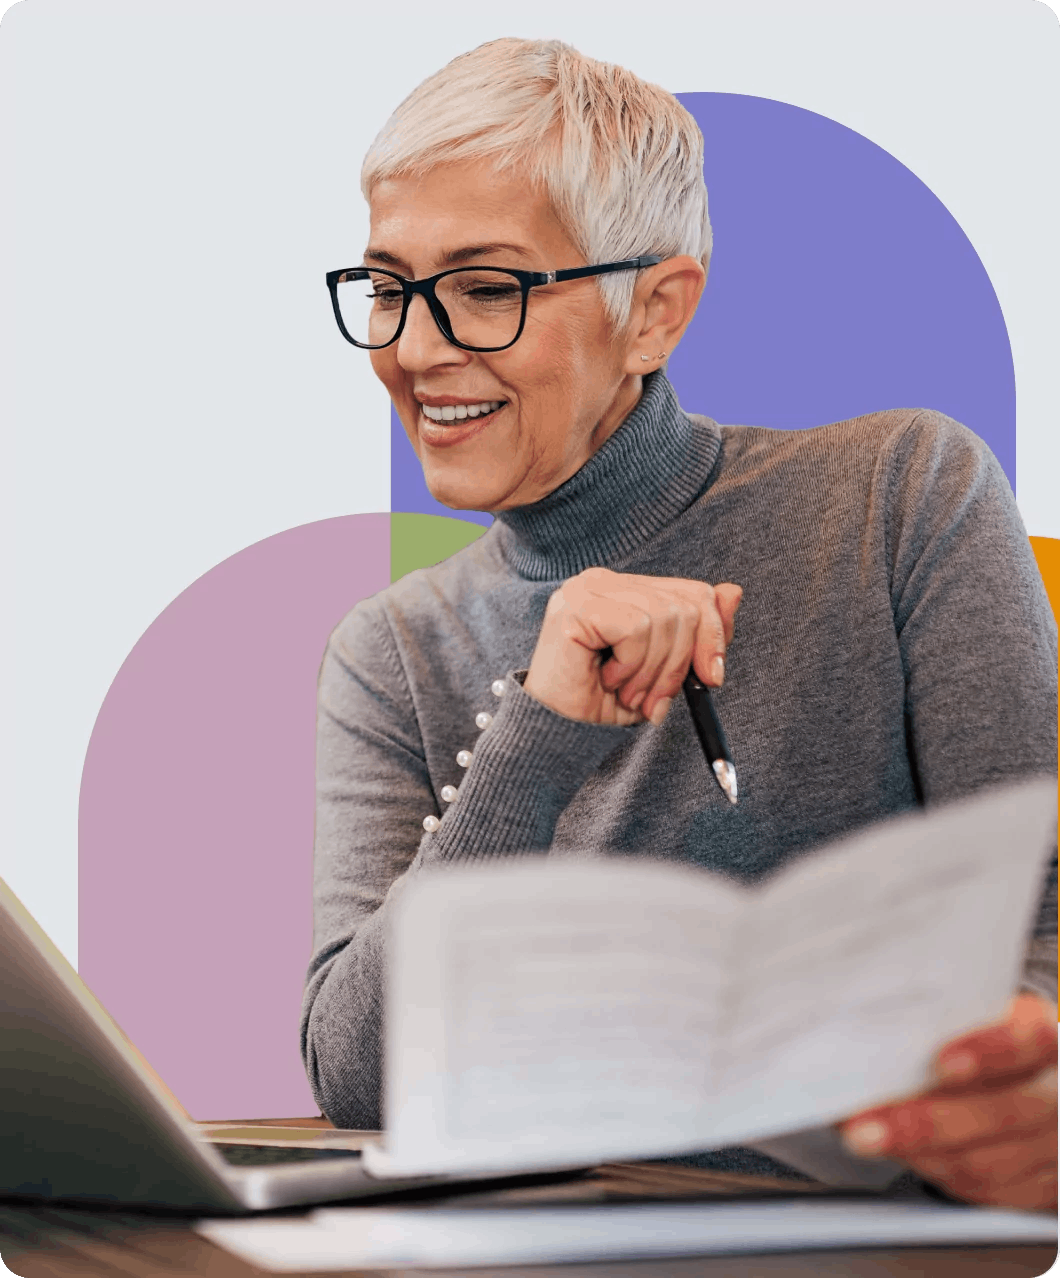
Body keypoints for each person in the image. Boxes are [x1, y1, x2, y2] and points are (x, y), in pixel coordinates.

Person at [301, 37, 1057, 1209]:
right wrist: (538, 729)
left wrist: (1017, 1071)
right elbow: (356, 1076)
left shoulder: (902, 494)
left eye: (486, 287)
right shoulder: (389, 649)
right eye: (390, 287)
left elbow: (1043, 912)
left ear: (654, 312)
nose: (412, 347)